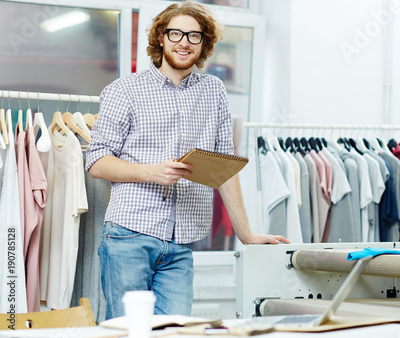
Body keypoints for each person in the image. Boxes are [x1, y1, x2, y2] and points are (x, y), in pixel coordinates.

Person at [85, 0, 289, 320]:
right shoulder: (125, 89)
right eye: (176, 33)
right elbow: (96, 161)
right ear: (161, 38)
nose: (184, 42)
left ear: (204, 44)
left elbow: (224, 167)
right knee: (128, 329)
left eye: (194, 36)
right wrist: (152, 172)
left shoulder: (214, 91)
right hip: (129, 235)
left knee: (176, 330)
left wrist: (246, 234)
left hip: (182, 243)